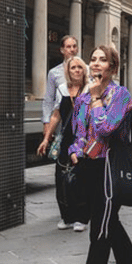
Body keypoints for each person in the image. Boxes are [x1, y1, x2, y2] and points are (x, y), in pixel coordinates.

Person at [67, 46, 132, 264]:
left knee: (100, 228)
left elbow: (106, 128)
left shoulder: (120, 94)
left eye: (103, 60)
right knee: (108, 219)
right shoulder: (82, 97)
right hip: (88, 167)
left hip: (110, 168)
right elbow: (78, 133)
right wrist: (75, 152)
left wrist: (97, 99)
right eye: (93, 59)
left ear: (113, 67)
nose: (96, 64)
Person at [37, 56, 91, 232]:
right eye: (73, 68)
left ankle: (81, 217)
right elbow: (56, 115)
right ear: (67, 71)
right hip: (67, 138)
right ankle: (66, 216)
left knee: (81, 178)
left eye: (79, 68)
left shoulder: (90, 90)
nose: (76, 70)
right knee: (61, 177)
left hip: (84, 139)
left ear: (84, 70)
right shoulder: (62, 90)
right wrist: (47, 137)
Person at [42, 35, 79, 138]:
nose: (72, 50)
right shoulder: (54, 73)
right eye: (68, 47)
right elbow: (49, 99)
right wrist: (46, 122)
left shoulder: (86, 70)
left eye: (74, 46)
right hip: (62, 121)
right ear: (62, 50)